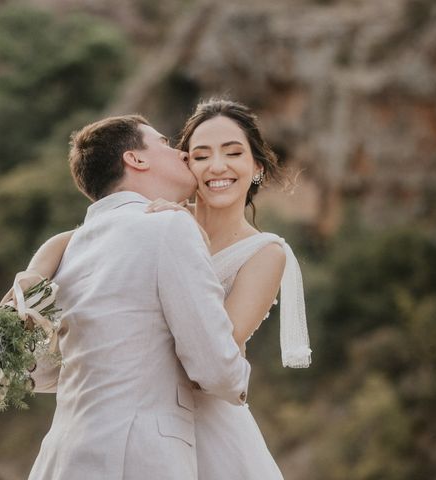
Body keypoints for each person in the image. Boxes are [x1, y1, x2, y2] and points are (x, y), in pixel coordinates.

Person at [23, 99, 311, 479]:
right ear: (185, 162)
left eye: (233, 152)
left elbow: (209, 356)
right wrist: (36, 270)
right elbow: (85, 239)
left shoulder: (265, 252)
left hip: (208, 427)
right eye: (200, 154)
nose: (217, 166)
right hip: (141, 427)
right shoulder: (155, 223)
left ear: (256, 167)